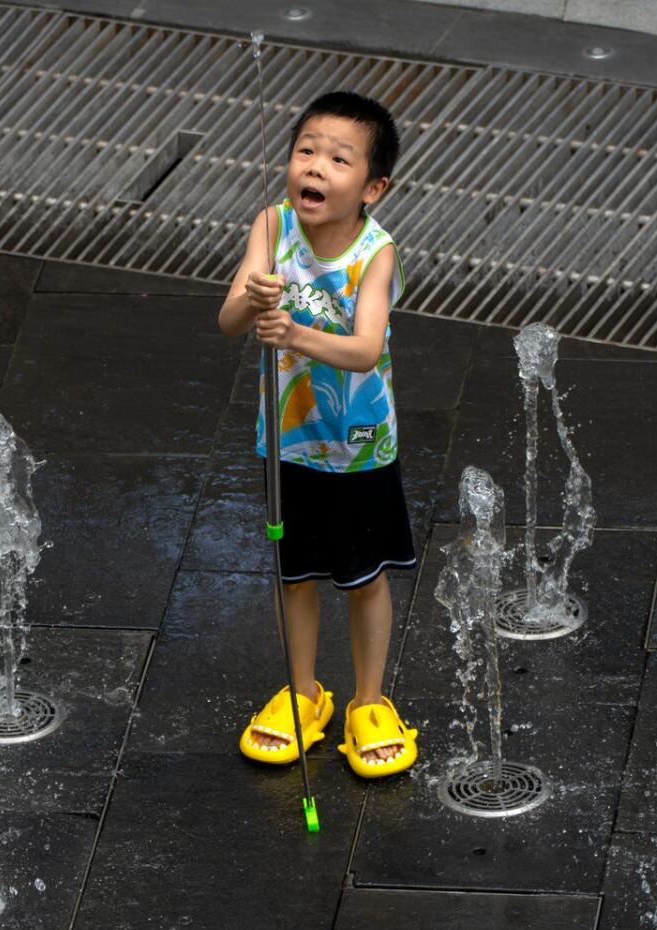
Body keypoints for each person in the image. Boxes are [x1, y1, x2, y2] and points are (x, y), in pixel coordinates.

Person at [216, 91, 418, 779]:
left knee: (363, 578)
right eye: (306, 150)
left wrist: (294, 331)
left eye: (339, 158)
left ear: (373, 187)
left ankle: (368, 701)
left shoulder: (375, 253)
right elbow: (228, 320)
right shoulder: (271, 228)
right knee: (293, 574)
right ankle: (302, 693)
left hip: (359, 445)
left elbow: (364, 350)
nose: (316, 167)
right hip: (289, 441)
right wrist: (255, 295)